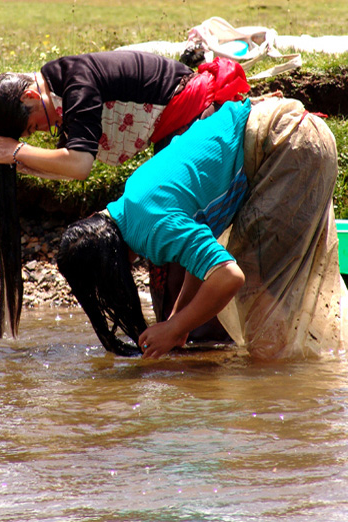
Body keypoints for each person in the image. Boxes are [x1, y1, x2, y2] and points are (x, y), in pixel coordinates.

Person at [0, 50, 250, 337]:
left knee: (176, 262)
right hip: (177, 126)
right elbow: (68, 164)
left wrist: (16, 153)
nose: (45, 130)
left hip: (197, 112)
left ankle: (200, 341)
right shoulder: (59, 89)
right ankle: (184, 337)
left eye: (33, 127)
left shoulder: (76, 86)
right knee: (176, 257)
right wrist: (14, 161)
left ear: (30, 96)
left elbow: (79, 164)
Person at [57, 95, 348, 360]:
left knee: (258, 285)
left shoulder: (151, 228)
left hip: (287, 145)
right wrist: (177, 320)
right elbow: (202, 259)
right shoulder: (133, 201)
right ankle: (299, 370)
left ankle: (277, 394)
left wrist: (174, 327)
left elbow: (229, 277)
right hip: (291, 133)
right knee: (275, 289)